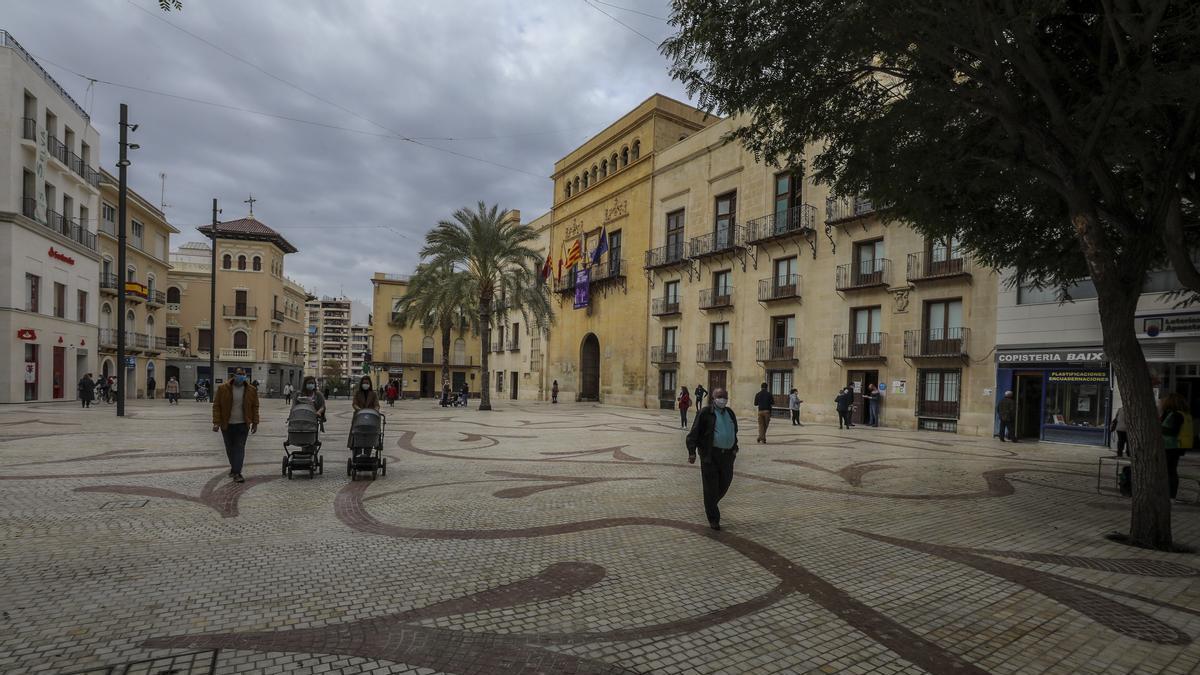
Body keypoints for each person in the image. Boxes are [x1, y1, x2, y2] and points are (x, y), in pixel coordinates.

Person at [686, 387, 738, 531]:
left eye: (725, 396)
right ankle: (713, 518)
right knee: (710, 487)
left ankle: (710, 503)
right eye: (720, 396)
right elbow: (693, 434)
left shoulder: (730, 413)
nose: (723, 399)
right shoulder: (705, 413)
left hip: (727, 456)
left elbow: (734, 431)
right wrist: (692, 452)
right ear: (713, 398)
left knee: (725, 483)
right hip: (710, 455)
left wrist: (734, 448)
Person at [211, 367, 259, 483]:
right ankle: (234, 468)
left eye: (243, 374)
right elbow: (217, 406)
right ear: (234, 375)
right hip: (227, 424)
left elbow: (255, 407)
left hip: (243, 424)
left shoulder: (251, 390)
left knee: (239, 448)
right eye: (239, 374)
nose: (241, 376)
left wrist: (255, 423)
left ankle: (237, 472)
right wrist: (216, 422)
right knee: (230, 449)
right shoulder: (223, 389)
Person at [1161, 393, 1187, 499]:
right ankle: (1168, 494)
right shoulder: (1169, 413)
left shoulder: (1176, 415)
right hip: (1169, 446)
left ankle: (1171, 496)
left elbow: (1174, 431)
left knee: (1170, 471)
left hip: (1171, 447)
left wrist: (1158, 427)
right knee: (1169, 471)